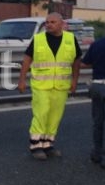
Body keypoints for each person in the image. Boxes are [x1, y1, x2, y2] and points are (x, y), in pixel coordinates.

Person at [17, 12, 81, 160]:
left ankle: (48, 144)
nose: (49, 24)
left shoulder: (70, 39)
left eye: (52, 22)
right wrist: (22, 79)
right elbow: (27, 59)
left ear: (61, 24)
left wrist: (75, 80)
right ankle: (36, 145)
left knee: (55, 116)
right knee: (41, 113)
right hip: (41, 85)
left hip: (60, 85)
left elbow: (76, 61)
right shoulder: (38, 39)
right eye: (47, 22)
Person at [81, 14, 105, 168]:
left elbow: (85, 63)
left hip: (96, 86)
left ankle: (97, 153)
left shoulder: (98, 44)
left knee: (98, 122)